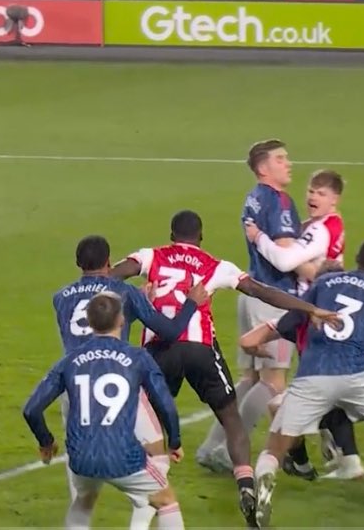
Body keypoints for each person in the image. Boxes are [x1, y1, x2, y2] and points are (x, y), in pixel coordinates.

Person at [111, 210, 339, 528]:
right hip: (200, 348)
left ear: (172, 235)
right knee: (231, 419)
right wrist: (310, 308)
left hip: (158, 351)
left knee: (151, 423)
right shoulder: (215, 265)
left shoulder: (152, 256)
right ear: (201, 237)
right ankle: (245, 485)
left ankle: (150, 492)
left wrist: (133, 295)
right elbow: (262, 291)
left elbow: (114, 275)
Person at [240, 239, 364, 521]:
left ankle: (265, 482)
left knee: (277, 441)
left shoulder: (323, 284)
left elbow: (292, 318)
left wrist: (260, 340)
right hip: (355, 374)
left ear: (357, 258)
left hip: (312, 375)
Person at [53, 235, 206, 526]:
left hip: (74, 388)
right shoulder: (123, 294)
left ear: (78, 263)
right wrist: (190, 304)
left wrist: (133, 306)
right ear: (109, 262)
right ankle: (141, 520)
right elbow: (170, 331)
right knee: (157, 457)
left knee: (84, 492)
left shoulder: (60, 297)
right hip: (117, 383)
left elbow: (97, 326)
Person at [23, 292, 186, 530]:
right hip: (124, 457)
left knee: (83, 501)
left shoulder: (69, 361)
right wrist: (175, 441)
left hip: (81, 458)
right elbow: (165, 403)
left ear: (89, 322)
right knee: (166, 501)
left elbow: (31, 409)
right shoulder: (138, 358)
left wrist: (46, 441)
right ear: (122, 320)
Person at [245, 169, 358, 480]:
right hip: (319, 311)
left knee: (301, 392)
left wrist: (259, 238)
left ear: (335, 199)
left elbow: (284, 261)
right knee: (316, 384)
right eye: (311, 190)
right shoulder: (325, 225)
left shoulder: (320, 229)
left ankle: (319, 457)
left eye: (321, 193)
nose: (312, 196)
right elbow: (305, 265)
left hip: (314, 314)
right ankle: (332, 448)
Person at [197, 139, 300, 477]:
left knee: (249, 379)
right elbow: (286, 256)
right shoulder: (279, 200)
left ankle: (211, 447)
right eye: (280, 159)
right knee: (272, 381)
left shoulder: (253, 197)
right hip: (273, 299)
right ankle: (227, 450)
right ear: (263, 168)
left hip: (250, 291)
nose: (288, 163)